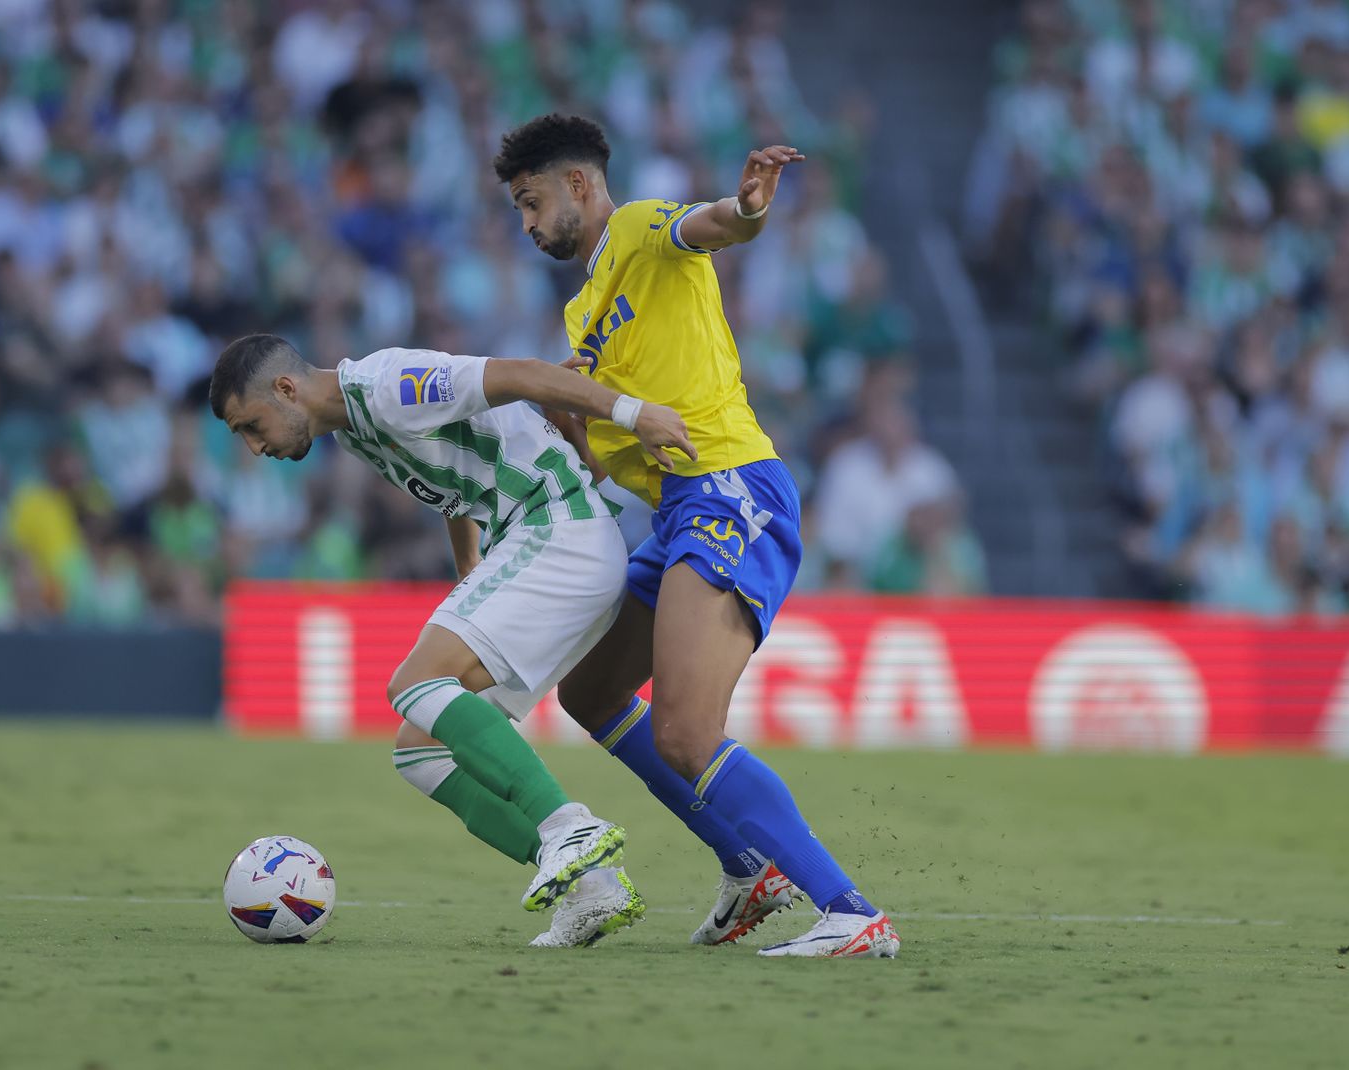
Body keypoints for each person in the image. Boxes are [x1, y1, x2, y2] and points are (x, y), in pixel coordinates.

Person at [494, 114, 899, 958]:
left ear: (577, 185)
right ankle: (749, 866)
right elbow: (613, 463)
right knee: (591, 694)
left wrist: (748, 208)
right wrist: (572, 422)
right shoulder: (581, 317)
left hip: (730, 489)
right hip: (677, 508)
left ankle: (852, 912)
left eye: (531, 203)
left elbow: (713, 224)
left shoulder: (640, 229)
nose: (527, 225)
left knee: (685, 730)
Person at [208, 333, 697, 948]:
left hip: (558, 527)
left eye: (251, 426)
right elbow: (453, 490)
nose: (255, 447)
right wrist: (470, 571)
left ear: (285, 389)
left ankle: (569, 826)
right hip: (541, 543)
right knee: (419, 750)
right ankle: (591, 886)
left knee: (412, 685)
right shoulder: (355, 426)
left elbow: (518, 373)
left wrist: (633, 414)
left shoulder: (387, 385)